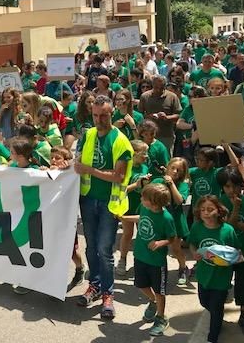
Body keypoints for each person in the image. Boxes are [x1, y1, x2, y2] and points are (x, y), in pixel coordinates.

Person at [74, 95, 133, 319]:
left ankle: (108, 293)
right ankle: (95, 285)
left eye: (104, 115)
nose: (99, 119)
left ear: (112, 114)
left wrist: (89, 170)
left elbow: (118, 176)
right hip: (88, 200)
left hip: (109, 204)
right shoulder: (87, 135)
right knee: (90, 247)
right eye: (96, 115)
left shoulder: (121, 141)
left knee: (104, 251)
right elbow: (77, 163)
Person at [119, 184, 175, 336]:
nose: (141, 199)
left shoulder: (166, 218)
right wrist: (124, 218)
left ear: (155, 202)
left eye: (144, 198)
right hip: (140, 256)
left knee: (159, 291)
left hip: (156, 262)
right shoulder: (144, 208)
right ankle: (153, 301)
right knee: (140, 285)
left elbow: (172, 238)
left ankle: (161, 317)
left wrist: (160, 243)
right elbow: (141, 218)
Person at [189, 196, 239, 343]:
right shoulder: (197, 227)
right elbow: (192, 243)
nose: (206, 213)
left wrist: (230, 259)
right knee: (204, 303)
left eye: (210, 209)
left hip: (221, 278)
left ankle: (213, 336)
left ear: (218, 211)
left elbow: (235, 251)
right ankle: (217, 318)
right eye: (203, 210)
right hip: (204, 276)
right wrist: (194, 252)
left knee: (216, 309)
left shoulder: (227, 230)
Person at [218, 167, 244, 337]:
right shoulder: (218, 202)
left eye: (235, 186)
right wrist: (235, 210)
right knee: (220, 285)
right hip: (224, 252)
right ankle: (217, 316)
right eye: (227, 186)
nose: (232, 190)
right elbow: (223, 226)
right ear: (222, 187)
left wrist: (234, 222)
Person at [151, 157, 191, 286]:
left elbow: (179, 201)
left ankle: (183, 268)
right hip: (159, 220)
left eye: (178, 170)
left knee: (176, 248)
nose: (174, 172)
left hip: (175, 221)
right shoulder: (158, 181)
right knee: (157, 247)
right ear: (167, 168)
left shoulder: (183, 185)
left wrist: (172, 185)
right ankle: (157, 272)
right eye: (172, 168)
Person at [116, 139, 150, 277]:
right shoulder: (126, 168)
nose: (146, 156)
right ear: (134, 153)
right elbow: (120, 190)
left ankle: (143, 262)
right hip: (128, 207)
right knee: (128, 234)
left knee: (144, 235)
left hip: (143, 207)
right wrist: (136, 185)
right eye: (144, 153)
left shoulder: (145, 167)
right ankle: (122, 260)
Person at [138, 75, 182, 152]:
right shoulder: (145, 97)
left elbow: (178, 115)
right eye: (156, 87)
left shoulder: (172, 97)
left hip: (166, 135)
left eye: (161, 88)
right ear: (152, 85)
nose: (158, 90)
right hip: (147, 135)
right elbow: (139, 114)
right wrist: (149, 117)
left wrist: (167, 117)